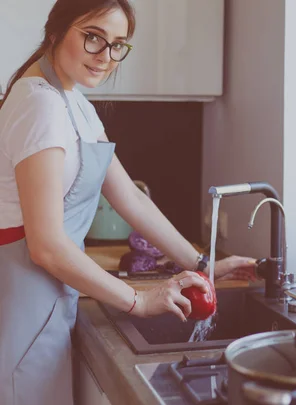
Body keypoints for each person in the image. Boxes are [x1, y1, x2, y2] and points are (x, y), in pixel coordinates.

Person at [0, 1, 257, 404]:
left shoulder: (74, 104)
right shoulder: (40, 105)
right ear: (56, 32)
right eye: (93, 38)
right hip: (23, 305)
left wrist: (201, 264)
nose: (106, 57)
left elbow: (130, 198)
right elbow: (46, 245)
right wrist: (138, 301)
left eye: (117, 44)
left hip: (49, 298)